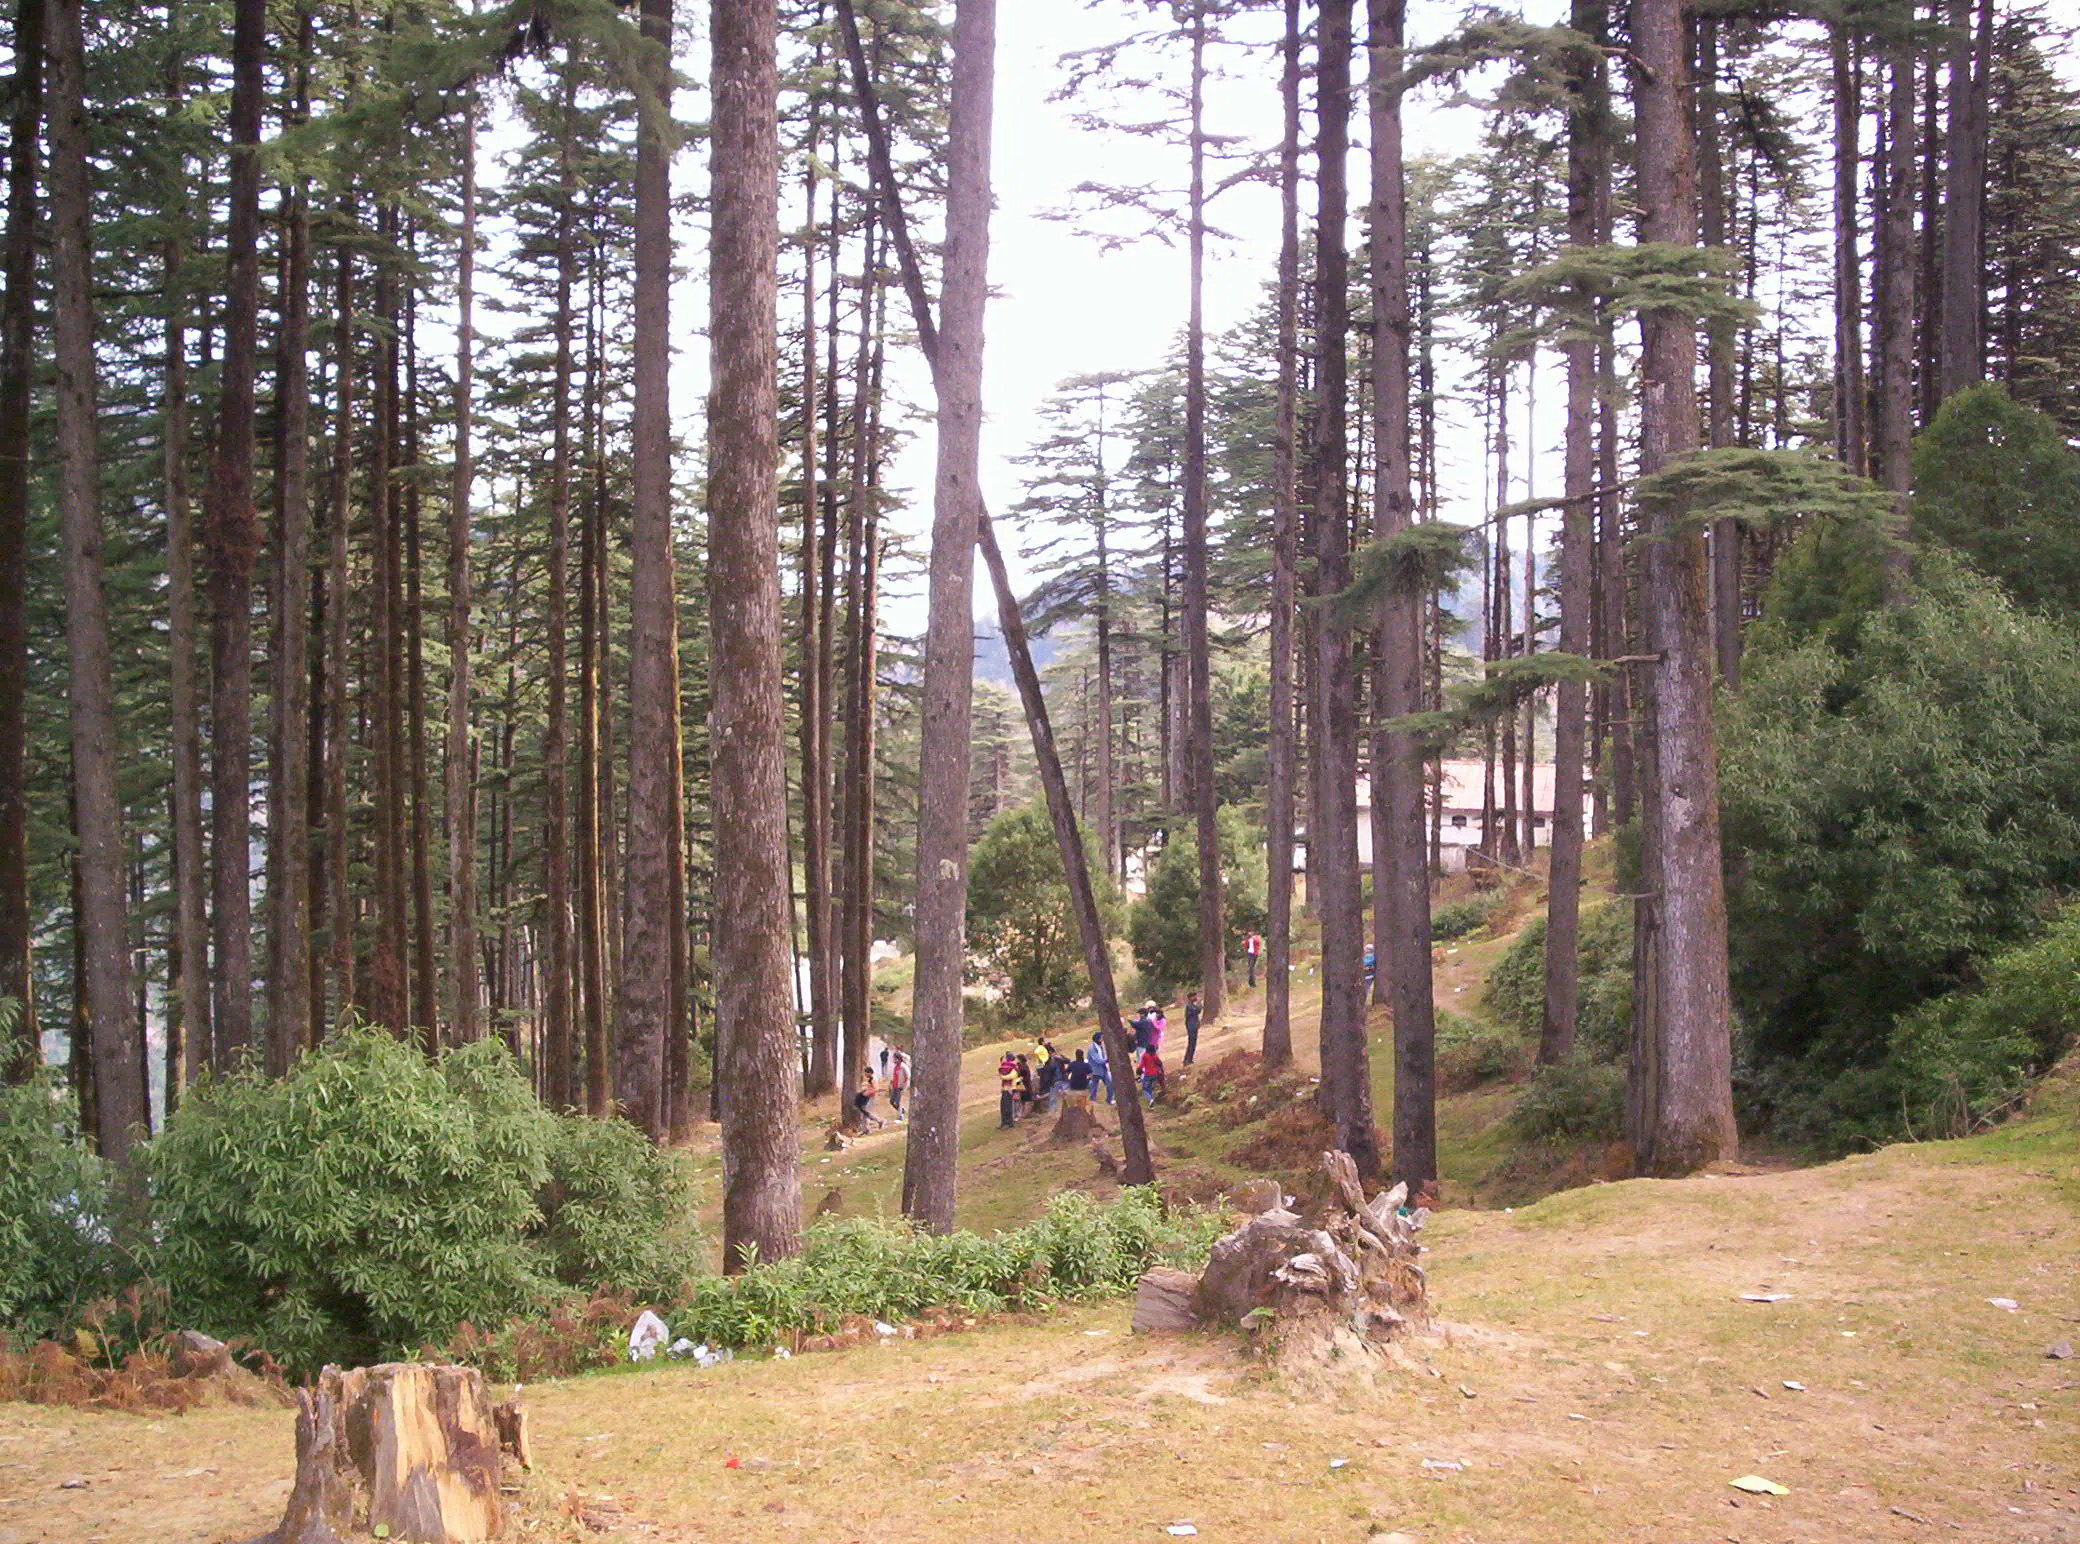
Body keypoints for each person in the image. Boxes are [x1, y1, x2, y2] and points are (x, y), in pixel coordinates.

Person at [1088, 1031, 1113, 1104]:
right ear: (1098, 1039)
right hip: (1095, 1070)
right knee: (1094, 1087)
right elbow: (1097, 1059)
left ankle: (1109, 1100)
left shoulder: (1099, 1046)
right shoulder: (1092, 1048)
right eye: (1101, 1038)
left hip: (1102, 1069)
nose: (1102, 1039)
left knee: (1110, 1084)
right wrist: (1107, 1060)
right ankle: (1092, 1100)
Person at [998, 1051, 1019, 1129]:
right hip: (1008, 1088)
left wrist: (1002, 1076)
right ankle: (1005, 1122)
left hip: (1008, 1089)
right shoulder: (1014, 1066)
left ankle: (1008, 1122)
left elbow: (1011, 1076)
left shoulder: (1005, 1066)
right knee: (1005, 1106)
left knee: (1006, 1106)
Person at [1183, 989, 1202, 1067]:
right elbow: (1197, 1011)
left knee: (1193, 1043)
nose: (1195, 997)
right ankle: (1187, 1059)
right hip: (1191, 1026)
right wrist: (1199, 1004)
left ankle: (1189, 1059)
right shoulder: (1189, 1006)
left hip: (1194, 1025)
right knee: (1191, 1043)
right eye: (1194, 996)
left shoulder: (1192, 1005)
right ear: (1190, 997)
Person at [888, 1051, 909, 1121]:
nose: (894, 1060)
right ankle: (902, 1110)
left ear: (899, 1059)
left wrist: (904, 1086)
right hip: (894, 1086)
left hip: (900, 1087)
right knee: (891, 1101)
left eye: (895, 1059)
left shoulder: (903, 1067)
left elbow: (907, 1077)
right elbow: (894, 1076)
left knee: (898, 1102)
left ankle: (900, 1116)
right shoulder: (895, 1067)